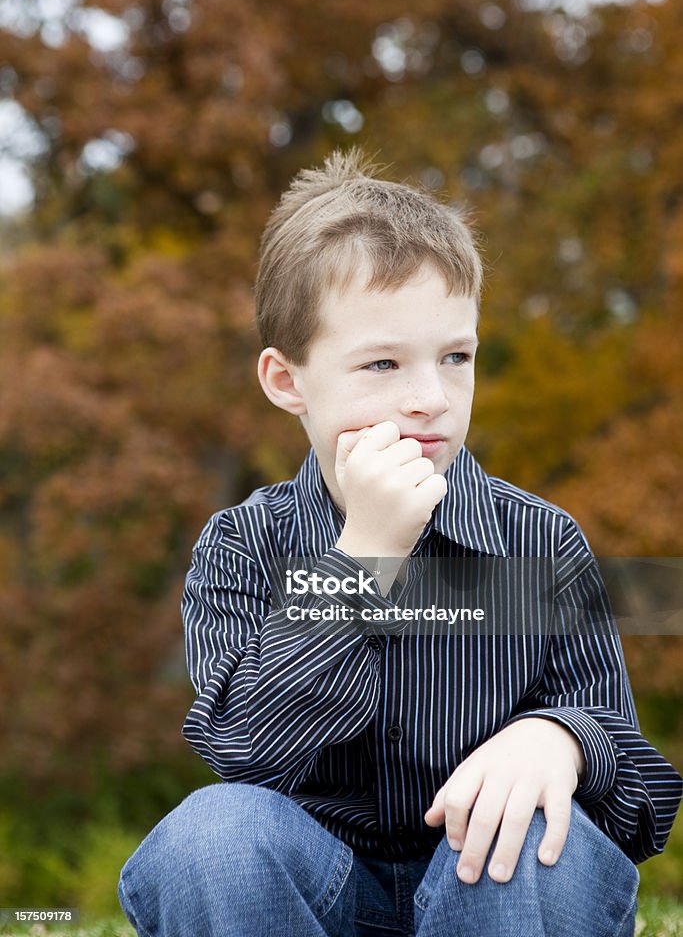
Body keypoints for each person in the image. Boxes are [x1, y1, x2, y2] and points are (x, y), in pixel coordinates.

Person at [119, 150, 682, 937]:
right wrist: (361, 560)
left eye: (456, 358)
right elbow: (243, 746)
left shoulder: (538, 541)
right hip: (318, 893)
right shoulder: (243, 545)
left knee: (525, 841)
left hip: (495, 890)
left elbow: (641, 801)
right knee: (213, 833)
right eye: (382, 363)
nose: (430, 400)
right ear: (288, 382)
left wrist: (561, 738)